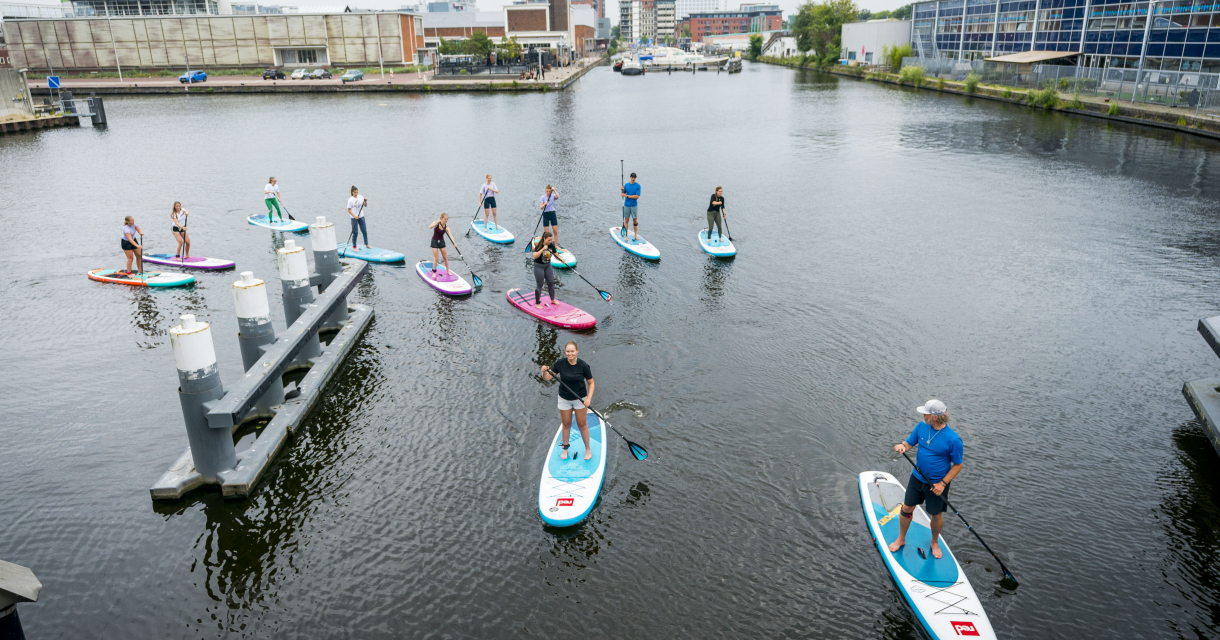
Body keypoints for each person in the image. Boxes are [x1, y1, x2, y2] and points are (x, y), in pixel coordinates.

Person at [888, 399, 964, 560]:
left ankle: (934, 542)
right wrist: (902, 446)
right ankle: (901, 538)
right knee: (907, 508)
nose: (922, 415)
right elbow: (909, 443)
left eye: (925, 413)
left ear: (934, 417)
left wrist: (942, 484)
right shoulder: (921, 426)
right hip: (917, 478)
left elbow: (958, 465)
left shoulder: (953, 439)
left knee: (935, 514)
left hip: (937, 484)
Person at [541, 340, 595, 461]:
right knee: (566, 425)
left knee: (582, 425)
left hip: (580, 399)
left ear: (577, 351)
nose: (570, 354)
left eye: (572, 351)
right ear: (565, 352)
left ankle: (587, 449)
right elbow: (547, 378)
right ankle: (565, 449)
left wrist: (589, 399)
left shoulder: (583, 366)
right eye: (568, 351)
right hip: (564, 398)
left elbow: (591, 383)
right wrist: (544, 372)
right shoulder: (560, 363)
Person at [531, 230, 560, 309]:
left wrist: (561, 259)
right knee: (540, 284)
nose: (550, 241)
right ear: (544, 239)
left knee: (550, 283)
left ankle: (552, 300)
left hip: (547, 266)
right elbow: (535, 256)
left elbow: (556, 255)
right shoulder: (539, 245)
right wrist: (543, 249)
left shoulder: (551, 246)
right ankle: (537, 303)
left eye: (551, 240)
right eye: (548, 240)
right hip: (538, 266)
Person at [347, 186, 369, 250]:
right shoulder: (350, 200)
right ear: (352, 192)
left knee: (364, 231)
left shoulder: (360, 197)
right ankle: (354, 247)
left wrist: (365, 201)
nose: (356, 193)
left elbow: (365, 205)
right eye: (355, 192)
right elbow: (349, 210)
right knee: (355, 232)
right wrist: (355, 216)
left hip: (361, 216)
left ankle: (367, 244)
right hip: (354, 218)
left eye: (357, 192)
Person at [621, 172, 641, 240]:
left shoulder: (638, 186)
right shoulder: (626, 185)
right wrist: (621, 190)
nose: (633, 178)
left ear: (636, 178)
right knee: (626, 220)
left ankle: (635, 235)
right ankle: (626, 235)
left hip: (634, 205)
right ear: (630, 177)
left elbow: (637, 196)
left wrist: (627, 196)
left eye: (634, 177)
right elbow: (623, 194)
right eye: (632, 177)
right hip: (626, 205)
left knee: (635, 220)